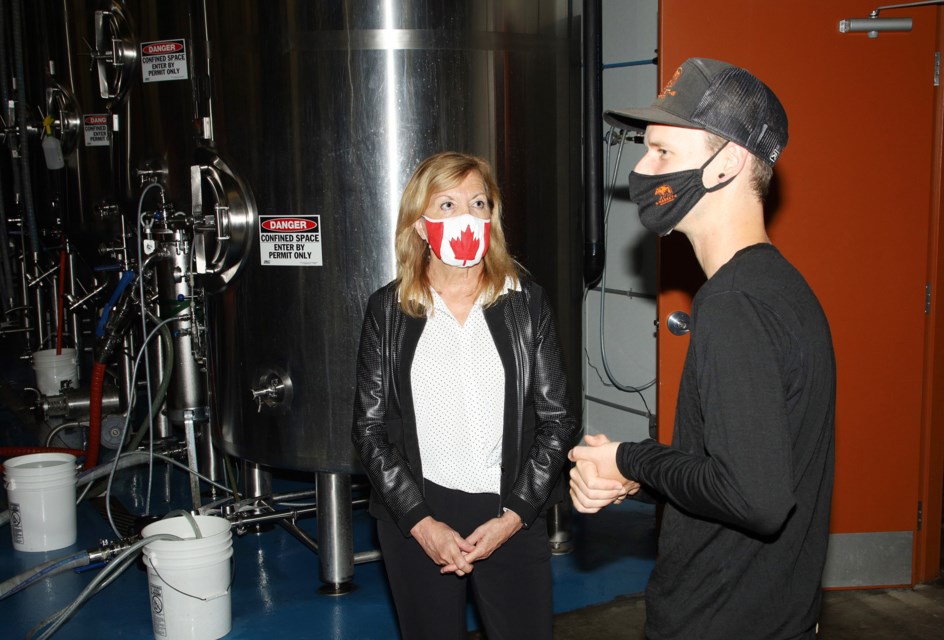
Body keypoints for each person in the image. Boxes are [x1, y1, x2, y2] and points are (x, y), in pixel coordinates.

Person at [569, 58, 836, 640]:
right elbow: (742, 466)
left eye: (663, 152)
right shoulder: (781, 288)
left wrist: (629, 460)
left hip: (717, 621)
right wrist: (641, 476)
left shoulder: (732, 305)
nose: (642, 169)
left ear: (729, 164)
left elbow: (756, 499)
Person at [352, 151, 581, 640]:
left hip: (510, 512)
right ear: (420, 224)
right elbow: (370, 430)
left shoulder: (526, 303)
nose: (467, 217)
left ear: (491, 217)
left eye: (478, 203)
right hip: (417, 514)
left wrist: (516, 516)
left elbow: (558, 419)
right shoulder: (387, 311)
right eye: (448, 204)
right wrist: (419, 522)